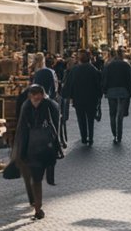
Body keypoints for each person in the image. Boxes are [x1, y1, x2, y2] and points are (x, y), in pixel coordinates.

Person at [14, 84, 61, 220]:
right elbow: (56, 123)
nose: (36, 99)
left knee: (36, 178)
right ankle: (38, 207)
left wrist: (21, 151)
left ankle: (37, 207)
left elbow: (22, 129)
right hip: (44, 146)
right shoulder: (49, 104)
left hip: (32, 147)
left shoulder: (27, 106)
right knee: (38, 176)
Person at [63, 51, 103, 147]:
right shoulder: (94, 70)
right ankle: (91, 137)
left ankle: (84, 137)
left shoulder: (75, 70)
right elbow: (99, 85)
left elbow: (69, 84)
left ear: (79, 59)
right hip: (91, 99)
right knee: (90, 119)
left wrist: (68, 95)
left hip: (78, 98)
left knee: (81, 119)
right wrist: (99, 96)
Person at [101, 47, 131, 144]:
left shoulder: (108, 65)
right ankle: (119, 135)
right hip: (123, 91)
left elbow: (105, 78)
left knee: (112, 113)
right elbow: (130, 79)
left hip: (111, 91)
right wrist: (129, 91)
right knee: (120, 115)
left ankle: (114, 133)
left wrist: (105, 90)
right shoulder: (126, 65)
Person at [31, 53, 64, 147]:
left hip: (35, 101)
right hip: (47, 100)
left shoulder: (33, 73)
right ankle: (56, 141)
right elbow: (54, 89)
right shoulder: (49, 72)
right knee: (55, 119)